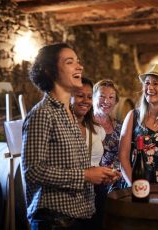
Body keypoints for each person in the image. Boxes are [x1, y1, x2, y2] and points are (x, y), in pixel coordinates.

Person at [21, 43, 120, 230]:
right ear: (50, 71)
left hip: (78, 217)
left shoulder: (69, 114)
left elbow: (70, 165)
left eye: (78, 62)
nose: (79, 67)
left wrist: (98, 174)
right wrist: (85, 175)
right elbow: (32, 171)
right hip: (55, 220)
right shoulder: (43, 113)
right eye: (69, 62)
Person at [71, 77, 106, 166]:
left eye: (90, 97)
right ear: (68, 97)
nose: (86, 101)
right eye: (80, 96)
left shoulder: (97, 129)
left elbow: (99, 163)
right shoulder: (61, 127)